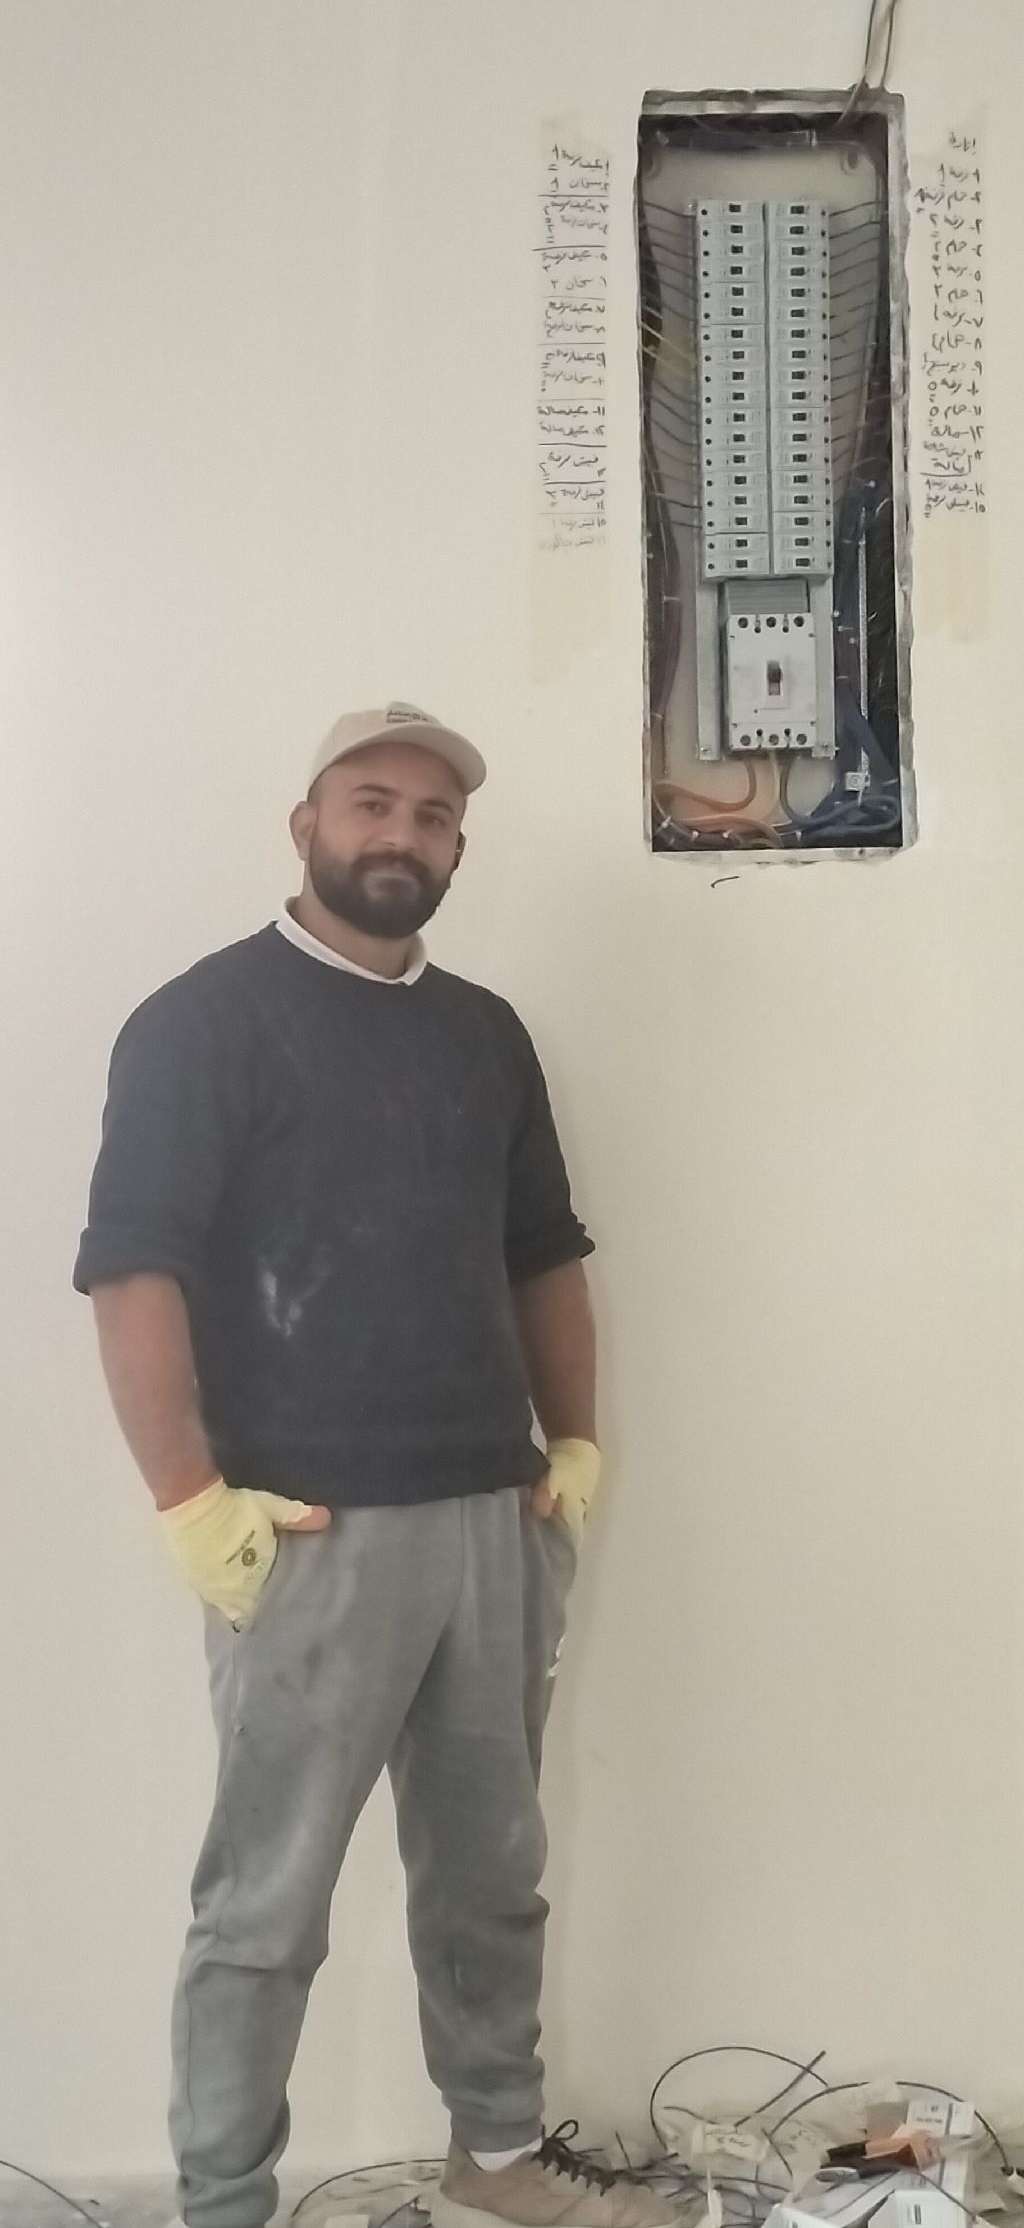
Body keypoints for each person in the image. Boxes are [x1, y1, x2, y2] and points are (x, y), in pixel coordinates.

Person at [74, 705, 677, 2228]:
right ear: (307, 823)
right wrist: (190, 1502)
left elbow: (544, 1254)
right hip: (306, 1532)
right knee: (265, 1902)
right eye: (371, 802)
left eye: (432, 814)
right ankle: (223, 2202)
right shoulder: (202, 1023)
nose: (401, 832)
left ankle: (496, 2156)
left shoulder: (485, 1036)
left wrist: (574, 1447)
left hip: (490, 1516)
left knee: (490, 1875)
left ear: (458, 847)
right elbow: (134, 1269)